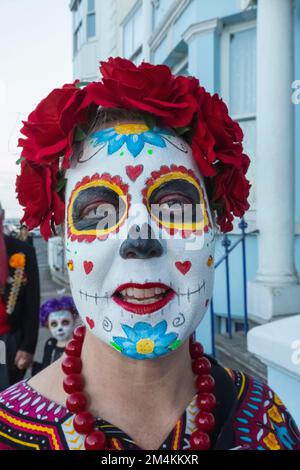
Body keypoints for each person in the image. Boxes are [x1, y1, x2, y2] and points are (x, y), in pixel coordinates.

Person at [0, 57, 299, 451]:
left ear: (215, 225)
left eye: (175, 208)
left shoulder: (264, 416)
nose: (140, 241)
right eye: (98, 213)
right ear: (64, 239)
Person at [0, 202, 40, 390]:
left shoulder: (22, 251)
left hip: (10, 338)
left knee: (7, 392)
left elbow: (32, 303)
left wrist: (28, 346)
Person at [32, 296, 78, 375]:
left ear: (73, 321)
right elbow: (45, 369)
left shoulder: (77, 345)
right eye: (54, 324)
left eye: (65, 322)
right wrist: (31, 365)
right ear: (47, 325)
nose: (59, 328)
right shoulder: (50, 344)